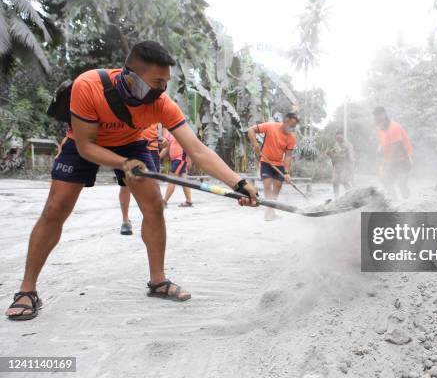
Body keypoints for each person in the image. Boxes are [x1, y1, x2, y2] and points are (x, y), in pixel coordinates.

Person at [5, 40, 258, 321]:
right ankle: (27, 290)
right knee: (55, 209)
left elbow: (196, 149)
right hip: (84, 143)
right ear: (130, 74)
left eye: (166, 83)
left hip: (133, 144)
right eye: (157, 81)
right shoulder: (89, 85)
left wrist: (239, 183)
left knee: (154, 207)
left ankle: (158, 281)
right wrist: (123, 164)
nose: (162, 89)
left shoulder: (162, 104)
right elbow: (87, 147)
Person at [246, 113, 298, 221]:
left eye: (294, 127)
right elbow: (251, 130)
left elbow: (288, 156)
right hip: (265, 161)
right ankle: (269, 212)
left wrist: (287, 173)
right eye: (290, 125)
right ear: (285, 121)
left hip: (279, 164)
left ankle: (270, 210)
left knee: (278, 186)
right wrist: (255, 144)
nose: (291, 129)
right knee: (267, 184)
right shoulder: (271, 126)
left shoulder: (291, 138)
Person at [119, 123, 167, 235]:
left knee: (154, 186)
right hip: (132, 146)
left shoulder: (158, 108)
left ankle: (152, 220)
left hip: (152, 149)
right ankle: (125, 221)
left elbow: (162, 128)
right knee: (125, 184)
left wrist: (163, 138)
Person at [373, 107, 413, 199]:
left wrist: (388, 163)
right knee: (385, 179)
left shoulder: (393, 127)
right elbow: (383, 142)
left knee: (401, 184)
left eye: (380, 115)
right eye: (376, 116)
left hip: (403, 160)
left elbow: (396, 145)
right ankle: (394, 201)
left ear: (385, 115)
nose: (378, 118)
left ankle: (409, 203)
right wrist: (380, 149)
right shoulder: (380, 129)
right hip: (391, 160)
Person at [163, 129, 193, 207]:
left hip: (180, 159)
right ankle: (189, 201)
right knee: (183, 180)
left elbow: (187, 145)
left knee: (172, 179)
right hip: (175, 160)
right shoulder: (170, 134)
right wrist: (157, 157)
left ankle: (164, 201)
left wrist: (189, 160)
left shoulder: (180, 130)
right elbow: (166, 148)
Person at [327, 131, 355, 197]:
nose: (338, 139)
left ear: (342, 137)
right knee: (334, 182)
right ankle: (336, 196)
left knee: (344, 180)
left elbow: (351, 157)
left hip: (345, 165)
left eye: (340, 137)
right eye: (337, 138)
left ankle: (351, 194)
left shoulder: (348, 145)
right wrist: (329, 154)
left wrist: (350, 167)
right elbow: (333, 155)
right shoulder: (335, 145)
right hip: (337, 166)